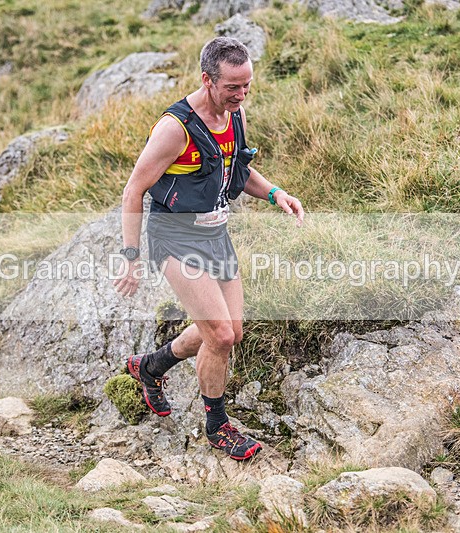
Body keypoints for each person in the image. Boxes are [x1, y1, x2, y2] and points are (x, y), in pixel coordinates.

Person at [113, 37, 304, 461]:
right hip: (175, 237)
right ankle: (217, 426)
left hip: (215, 234)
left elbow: (238, 168)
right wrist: (131, 256)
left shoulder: (235, 114)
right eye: (233, 87)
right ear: (207, 79)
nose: (241, 95)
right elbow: (133, 190)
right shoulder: (173, 129)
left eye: (247, 86)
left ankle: (150, 366)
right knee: (218, 334)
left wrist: (276, 193)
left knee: (229, 332)